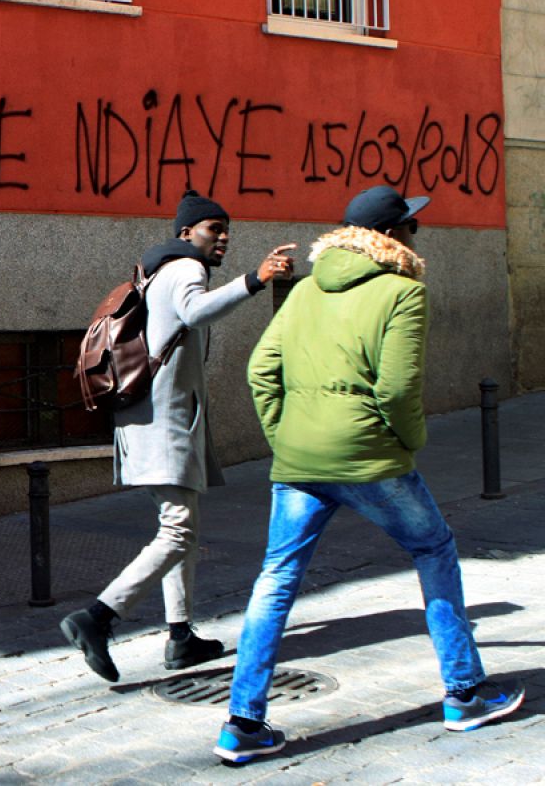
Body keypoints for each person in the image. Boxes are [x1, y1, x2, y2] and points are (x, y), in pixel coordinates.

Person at [213, 185, 523, 764]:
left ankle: (241, 725)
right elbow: (398, 388)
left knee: (276, 579)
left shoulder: (304, 289)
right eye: (413, 226)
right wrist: (409, 442)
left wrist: (286, 436)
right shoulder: (403, 292)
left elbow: (261, 370)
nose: (417, 234)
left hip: (300, 460)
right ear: (393, 236)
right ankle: (464, 693)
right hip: (370, 457)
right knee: (433, 550)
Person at [61, 191, 295, 682]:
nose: (224, 237)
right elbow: (194, 312)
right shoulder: (186, 268)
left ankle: (181, 637)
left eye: (227, 228)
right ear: (187, 233)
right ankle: (98, 618)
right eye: (214, 228)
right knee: (178, 530)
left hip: (150, 420)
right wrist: (255, 280)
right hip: (164, 423)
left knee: (178, 529)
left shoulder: (158, 270)